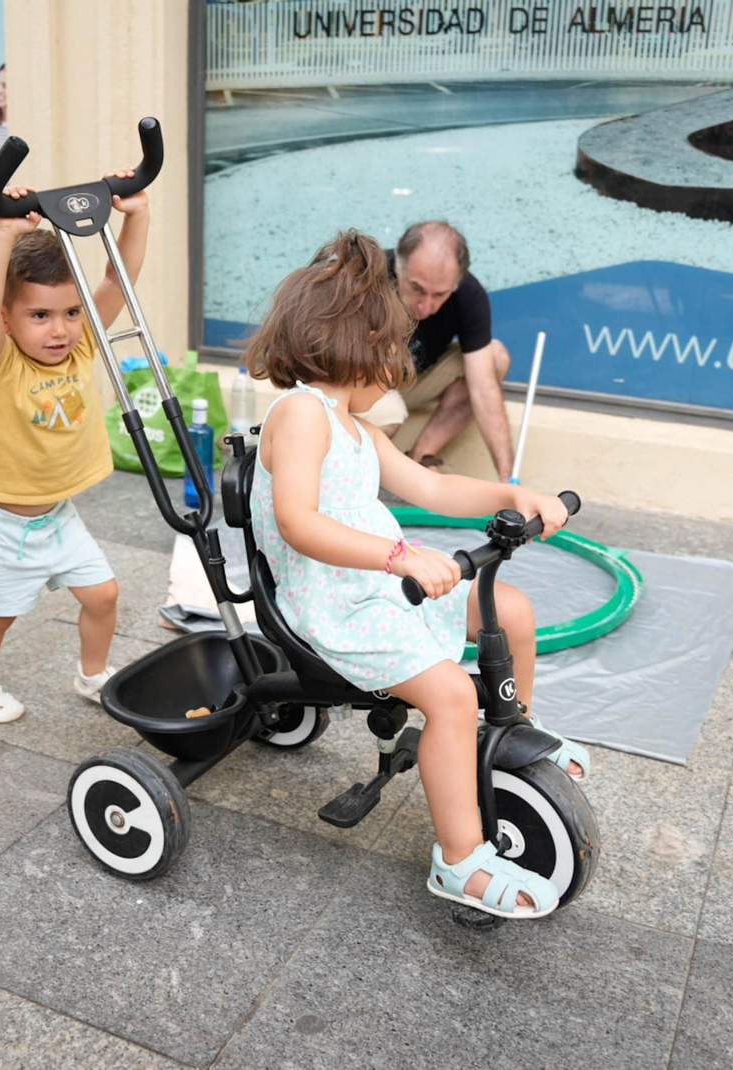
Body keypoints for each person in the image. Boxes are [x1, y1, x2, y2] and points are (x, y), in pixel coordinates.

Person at [246, 230, 592, 919]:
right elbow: (297, 522)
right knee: (449, 697)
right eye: (395, 352)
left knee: (513, 611)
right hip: (334, 603)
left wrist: (510, 495)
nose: (402, 367)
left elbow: (432, 492)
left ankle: (511, 734)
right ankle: (459, 859)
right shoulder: (299, 415)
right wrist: (399, 556)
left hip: (376, 588)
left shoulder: (357, 427)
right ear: (356, 345)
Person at [0, 172, 150, 724]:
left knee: (103, 594)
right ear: (11, 321)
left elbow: (119, 279)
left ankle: (93, 673)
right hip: (1, 524)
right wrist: (2, 234)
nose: (59, 330)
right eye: (39, 316)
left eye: (69, 312)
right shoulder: (2, 359)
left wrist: (138, 215)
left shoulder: (82, 346)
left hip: (57, 517)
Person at [361, 221, 515, 479]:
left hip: (411, 379)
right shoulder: (366, 277)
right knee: (389, 410)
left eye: (440, 295)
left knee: (494, 357)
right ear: (398, 267)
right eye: (417, 289)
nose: (425, 307)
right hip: (359, 383)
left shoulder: (469, 295)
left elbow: (483, 390)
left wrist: (509, 481)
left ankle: (421, 458)